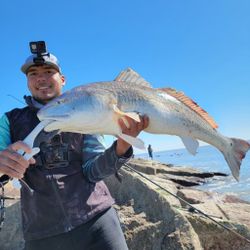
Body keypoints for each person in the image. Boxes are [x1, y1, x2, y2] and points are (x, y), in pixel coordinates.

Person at [0, 41, 149, 250]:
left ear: (62, 79)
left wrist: (121, 147)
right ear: (27, 81)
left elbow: (93, 172)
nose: (41, 78)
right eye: (33, 73)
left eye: (48, 71)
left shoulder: (88, 111)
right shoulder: (9, 119)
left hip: (97, 221)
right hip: (41, 235)